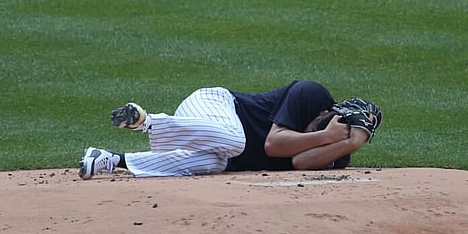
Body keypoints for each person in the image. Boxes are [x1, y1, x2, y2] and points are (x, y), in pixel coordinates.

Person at [78, 80, 381, 179]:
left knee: (213, 163)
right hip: (212, 107)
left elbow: (299, 163)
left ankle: (110, 158)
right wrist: (326, 135)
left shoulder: (337, 147)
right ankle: (148, 122)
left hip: (217, 148)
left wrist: (347, 144)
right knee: (237, 141)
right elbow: (274, 145)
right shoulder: (310, 94)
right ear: (328, 113)